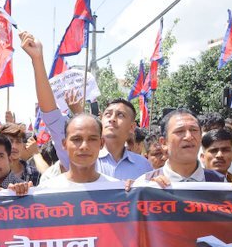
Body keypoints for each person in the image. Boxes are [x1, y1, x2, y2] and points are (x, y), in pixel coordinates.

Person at [20, 30, 152, 182]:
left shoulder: (144, 167)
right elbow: (50, 114)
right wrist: (37, 59)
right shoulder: (80, 157)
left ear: (132, 127)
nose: (113, 119)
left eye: (121, 115)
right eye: (108, 114)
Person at [134, 109, 225, 187]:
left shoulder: (220, 183)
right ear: (164, 142)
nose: (189, 136)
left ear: (201, 137)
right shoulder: (145, 184)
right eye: (180, 131)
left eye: (194, 130)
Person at [38, 114, 121, 190]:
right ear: (64, 144)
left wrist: (133, 191)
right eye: (76, 139)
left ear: (102, 143)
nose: (84, 146)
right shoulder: (47, 190)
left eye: (92, 139)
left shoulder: (118, 189)